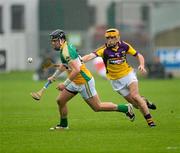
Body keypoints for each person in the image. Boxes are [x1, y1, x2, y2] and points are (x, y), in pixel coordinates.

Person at [48, 29, 135, 130]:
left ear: (62, 40)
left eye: (55, 41)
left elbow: (76, 70)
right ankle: (63, 125)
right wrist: (54, 76)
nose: (53, 43)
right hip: (75, 81)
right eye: (52, 41)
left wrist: (64, 84)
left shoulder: (66, 51)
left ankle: (126, 108)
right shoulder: (64, 48)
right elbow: (65, 65)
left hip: (84, 82)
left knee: (97, 107)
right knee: (60, 100)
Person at [82, 28, 156, 127]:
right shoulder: (103, 49)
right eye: (108, 38)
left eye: (113, 38)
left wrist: (141, 65)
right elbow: (89, 56)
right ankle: (145, 102)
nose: (110, 40)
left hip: (128, 75)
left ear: (118, 38)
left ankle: (150, 121)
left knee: (135, 96)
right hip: (115, 81)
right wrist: (79, 60)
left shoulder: (124, 46)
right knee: (136, 105)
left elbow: (139, 55)